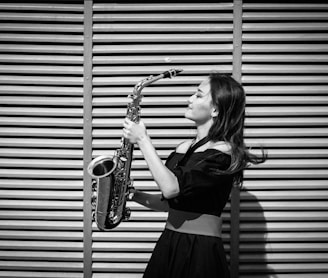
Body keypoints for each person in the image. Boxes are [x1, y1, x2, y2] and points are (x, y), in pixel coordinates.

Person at [122, 72, 266, 278]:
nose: (189, 99)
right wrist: (132, 195)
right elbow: (167, 203)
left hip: (200, 250)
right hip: (170, 242)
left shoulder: (223, 153)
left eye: (198, 95)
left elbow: (171, 189)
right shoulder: (183, 148)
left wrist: (143, 139)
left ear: (215, 109)